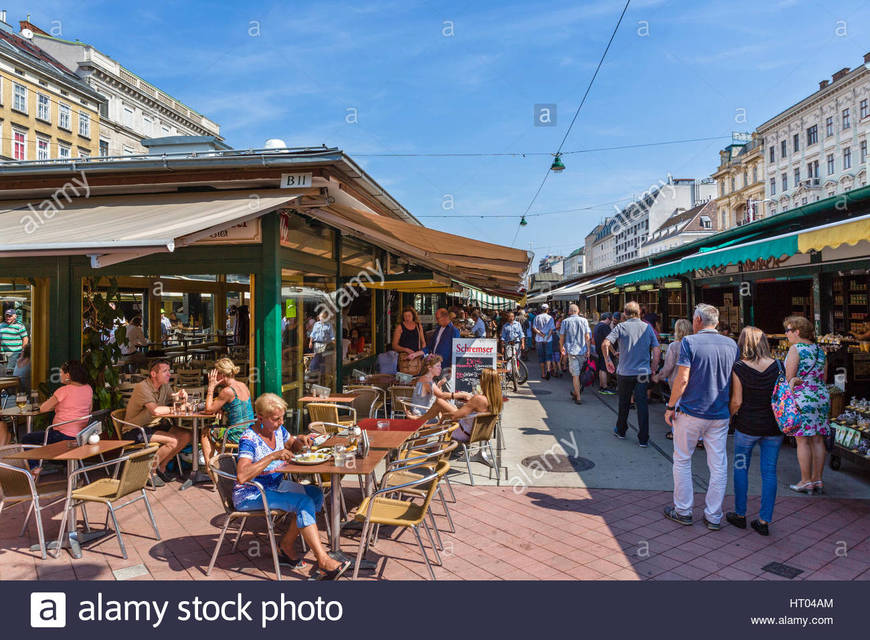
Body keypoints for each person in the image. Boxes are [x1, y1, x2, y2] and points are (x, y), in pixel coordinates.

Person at [235, 393, 350, 579]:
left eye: (282, 417)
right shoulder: (249, 439)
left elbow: (292, 445)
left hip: (276, 485)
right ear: (260, 417)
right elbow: (242, 475)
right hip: (252, 492)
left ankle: (286, 546)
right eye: (275, 419)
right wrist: (272, 456)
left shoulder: (278, 430)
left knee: (315, 494)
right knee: (303, 502)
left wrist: (301, 441)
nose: (280, 422)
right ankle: (323, 560)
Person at [663, 303, 739, 530]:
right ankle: (714, 515)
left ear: (697, 321)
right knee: (718, 465)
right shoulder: (731, 344)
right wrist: (732, 409)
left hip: (691, 411)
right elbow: (736, 380)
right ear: (715, 322)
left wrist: (670, 405)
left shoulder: (689, 342)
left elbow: (682, 378)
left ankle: (683, 510)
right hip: (720, 413)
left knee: (683, 460)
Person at [726, 327, 783, 536]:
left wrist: (730, 416)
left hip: (747, 427)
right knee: (769, 472)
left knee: (741, 467)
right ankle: (764, 520)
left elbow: (737, 401)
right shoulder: (779, 365)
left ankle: (740, 514)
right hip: (773, 427)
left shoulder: (739, 367)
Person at [124, 359, 192, 485]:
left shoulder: (164, 386)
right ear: (153, 374)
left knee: (186, 435)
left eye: (169, 371)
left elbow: (173, 400)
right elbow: (155, 411)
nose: (169, 374)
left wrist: (181, 397)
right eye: (165, 371)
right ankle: (150, 471)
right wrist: (176, 407)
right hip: (135, 429)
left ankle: (162, 467)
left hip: (154, 425)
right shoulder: (142, 387)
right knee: (173, 441)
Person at [602, 302, 660, 447]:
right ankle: (643, 438)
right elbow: (657, 350)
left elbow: (605, 344)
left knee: (624, 403)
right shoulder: (648, 327)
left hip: (625, 372)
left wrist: (608, 359)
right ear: (639, 312)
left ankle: (621, 430)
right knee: (642, 405)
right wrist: (653, 367)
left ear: (625, 314)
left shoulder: (621, 327)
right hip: (642, 372)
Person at [783, 315, 830, 494]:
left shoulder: (796, 349)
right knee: (818, 439)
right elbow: (823, 378)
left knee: (802, 440)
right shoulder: (819, 350)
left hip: (802, 397)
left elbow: (789, 377)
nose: (786, 334)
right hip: (821, 396)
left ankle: (805, 481)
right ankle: (818, 479)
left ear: (797, 331)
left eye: (788, 330)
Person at [22, 361, 93, 472]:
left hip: (62, 437)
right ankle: (65, 465)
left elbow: (43, 408)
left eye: (61, 373)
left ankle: (34, 468)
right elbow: (89, 409)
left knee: (27, 438)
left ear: (68, 375)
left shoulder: (63, 391)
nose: (59, 375)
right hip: (81, 436)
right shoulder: (88, 389)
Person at [420, 368, 503, 443]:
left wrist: (442, 419)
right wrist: (467, 401)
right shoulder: (496, 400)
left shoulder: (479, 399)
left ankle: (414, 452)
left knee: (427, 428)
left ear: (485, 381)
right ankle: (420, 420)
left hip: (462, 433)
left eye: (480, 377)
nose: (479, 380)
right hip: (475, 433)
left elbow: (455, 416)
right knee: (440, 403)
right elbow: (475, 409)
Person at [201, 357, 255, 464]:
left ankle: (209, 467)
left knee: (206, 431)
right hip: (250, 431)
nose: (215, 377)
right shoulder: (243, 385)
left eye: (216, 373)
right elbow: (234, 404)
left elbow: (208, 410)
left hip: (237, 434)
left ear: (222, 375)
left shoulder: (227, 391)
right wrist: (221, 407)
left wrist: (211, 387)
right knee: (222, 431)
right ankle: (225, 464)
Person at [654, 319, 691, 440]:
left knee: (677, 407)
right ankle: (699, 438)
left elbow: (668, 366)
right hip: (693, 382)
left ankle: (675, 432)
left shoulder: (674, 346)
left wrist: (659, 376)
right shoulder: (694, 345)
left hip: (677, 381)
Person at [560, 304, 592, 405]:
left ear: (569, 312)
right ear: (578, 311)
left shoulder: (565, 321)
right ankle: (576, 392)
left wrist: (562, 347)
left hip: (572, 351)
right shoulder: (584, 321)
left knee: (575, 375)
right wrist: (588, 349)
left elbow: (562, 336)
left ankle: (577, 396)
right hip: (582, 351)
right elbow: (587, 336)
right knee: (580, 373)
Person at [392, 307, 425, 374]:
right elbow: (394, 345)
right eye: (405, 316)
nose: (407, 318)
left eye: (409, 316)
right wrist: (406, 349)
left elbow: (423, 342)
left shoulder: (418, 326)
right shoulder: (400, 327)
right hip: (404, 359)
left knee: (417, 378)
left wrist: (420, 353)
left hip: (417, 358)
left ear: (413, 316)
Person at [0, 308, 28, 376]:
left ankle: (9, 386)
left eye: (10, 316)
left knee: (10, 372)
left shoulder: (20, 326)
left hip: (15, 353)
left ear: (15, 316)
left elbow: (25, 339)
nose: (8, 317)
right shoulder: (1, 325)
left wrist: (23, 351)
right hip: (3, 354)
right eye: (7, 316)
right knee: (3, 372)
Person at [532, 303, 556, 380]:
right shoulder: (550, 318)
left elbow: (534, 328)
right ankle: (548, 370)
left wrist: (541, 335)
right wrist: (546, 337)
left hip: (539, 339)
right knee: (548, 355)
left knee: (541, 356)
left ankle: (543, 373)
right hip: (548, 340)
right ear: (547, 310)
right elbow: (551, 329)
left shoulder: (537, 317)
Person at [593, 312, 613, 394]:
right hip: (605, 349)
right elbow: (610, 339)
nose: (610, 322)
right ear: (608, 319)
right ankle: (604, 387)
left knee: (601, 368)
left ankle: (601, 386)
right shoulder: (605, 326)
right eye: (610, 320)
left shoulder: (597, 325)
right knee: (604, 368)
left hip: (598, 348)